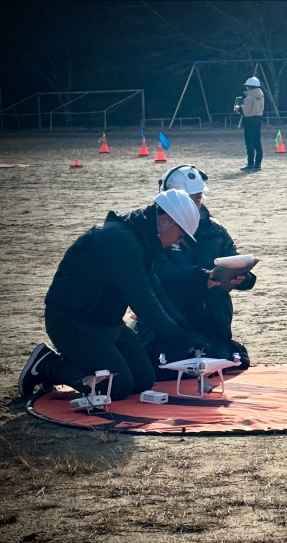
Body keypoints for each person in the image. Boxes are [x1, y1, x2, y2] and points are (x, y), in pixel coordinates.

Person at [18, 189, 208, 400]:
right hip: (73, 323)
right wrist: (175, 335)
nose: (178, 243)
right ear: (164, 221)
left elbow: (155, 291)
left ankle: (77, 363)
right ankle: (47, 365)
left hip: (107, 324)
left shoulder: (142, 241)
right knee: (116, 386)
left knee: (144, 379)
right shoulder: (120, 240)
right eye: (180, 235)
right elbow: (142, 299)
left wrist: (183, 327)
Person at [134, 165, 256, 378]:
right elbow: (159, 275)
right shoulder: (157, 231)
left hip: (210, 318)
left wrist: (243, 277)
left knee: (219, 358)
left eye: (197, 198)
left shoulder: (215, 231)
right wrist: (201, 278)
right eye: (188, 198)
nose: (194, 204)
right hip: (170, 317)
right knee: (169, 367)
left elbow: (231, 258)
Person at [234, 76, 265, 172]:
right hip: (258, 120)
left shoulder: (249, 98)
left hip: (249, 122)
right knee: (257, 143)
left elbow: (246, 113)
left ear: (250, 87)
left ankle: (250, 163)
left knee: (249, 144)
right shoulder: (261, 97)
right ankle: (258, 164)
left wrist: (238, 109)